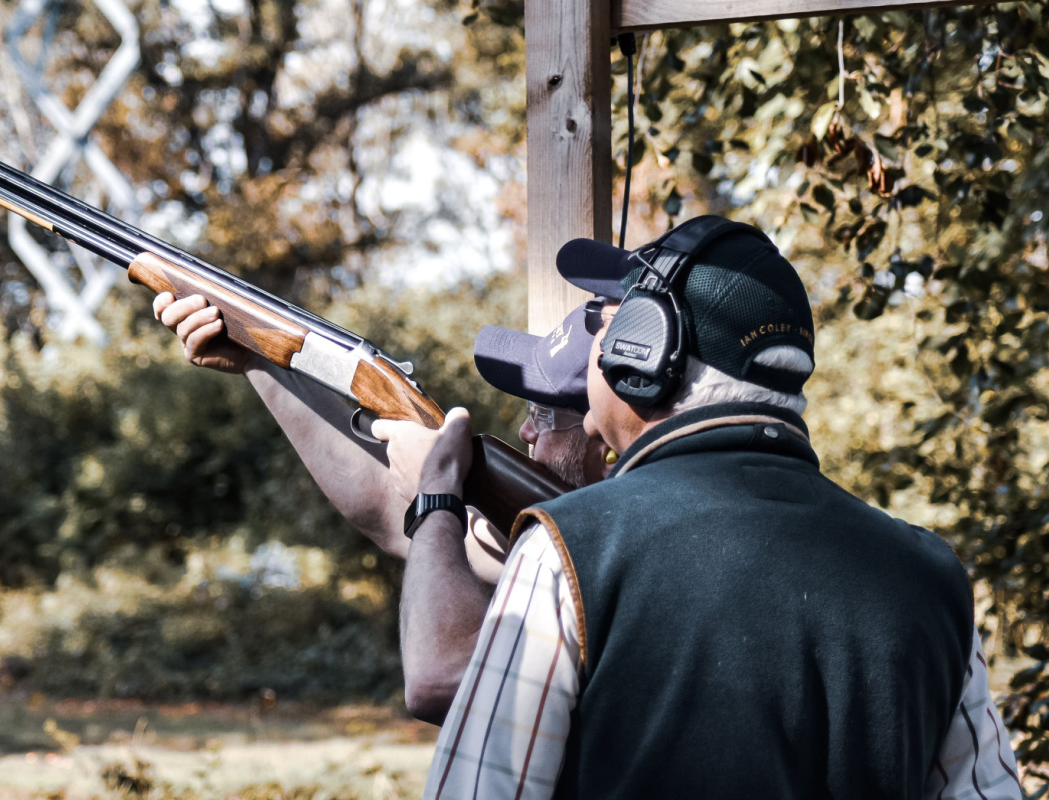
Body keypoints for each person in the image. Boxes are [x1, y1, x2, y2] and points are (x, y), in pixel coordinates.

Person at [408, 217, 1023, 799]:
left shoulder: (568, 551)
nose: (597, 342)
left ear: (643, 348)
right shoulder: (931, 576)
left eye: (606, 322)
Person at [153, 292, 611, 722]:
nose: (526, 433)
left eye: (545, 415)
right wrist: (261, 359)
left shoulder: (604, 557)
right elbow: (384, 509)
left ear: (605, 436)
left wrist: (438, 492)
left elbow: (436, 685)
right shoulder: (555, 537)